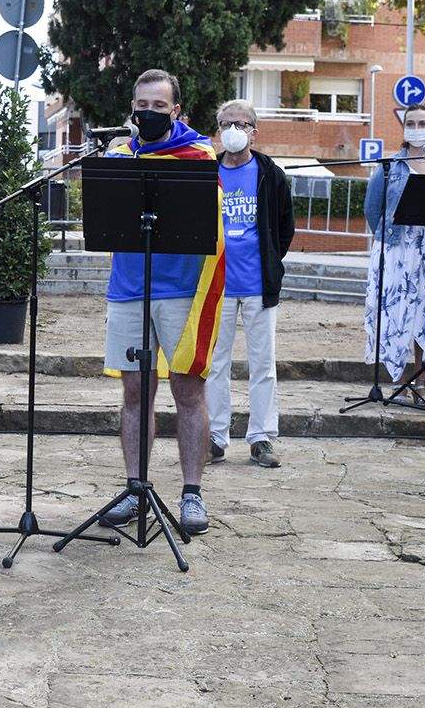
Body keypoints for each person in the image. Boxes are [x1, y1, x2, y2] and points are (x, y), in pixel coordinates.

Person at [98, 69, 225, 535]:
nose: (148, 113)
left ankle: (192, 494)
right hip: (128, 287)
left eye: (158, 106)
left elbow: (209, 223)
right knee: (134, 392)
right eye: (141, 105)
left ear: (175, 110)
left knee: (187, 392)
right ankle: (135, 489)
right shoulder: (117, 155)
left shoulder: (197, 156)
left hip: (180, 290)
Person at [205, 99, 294, 468]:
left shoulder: (270, 173)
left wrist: (271, 261)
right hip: (217, 284)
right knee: (214, 363)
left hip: (259, 285)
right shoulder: (206, 173)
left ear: (254, 132)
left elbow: (285, 227)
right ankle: (215, 436)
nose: (234, 130)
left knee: (263, 364)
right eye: (227, 123)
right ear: (218, 130)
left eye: (242, 124)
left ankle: (261, 438)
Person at [363, 104, 425, 401]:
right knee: (397, 315)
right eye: (411, 122)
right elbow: (372, 209)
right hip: (396, 252)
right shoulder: (390, 166)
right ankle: (400, 379)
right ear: (404, 128)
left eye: (422, 123)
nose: (416, 127)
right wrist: (389, 241)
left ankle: (422, 382)